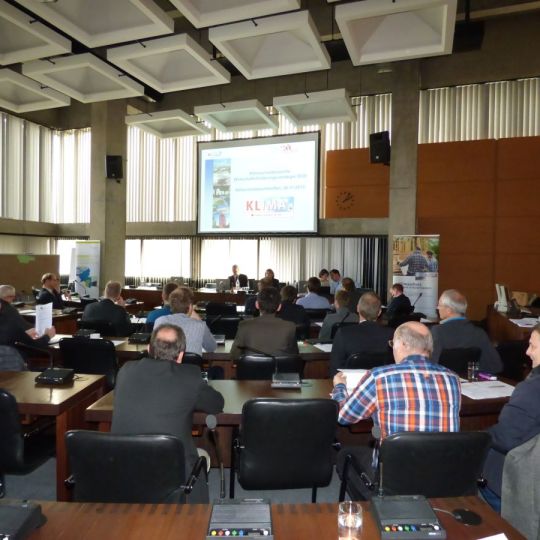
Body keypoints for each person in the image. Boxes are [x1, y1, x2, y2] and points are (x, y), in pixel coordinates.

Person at [332, 322, 461, 497]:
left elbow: (343, 416)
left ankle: (372, 511)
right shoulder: (453, 379)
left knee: (344, 455)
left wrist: (340, 388)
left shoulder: (379, 376)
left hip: (395, 477)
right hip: (442, 475)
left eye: (393, 344)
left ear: (403, 345)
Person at [111, 323, 224, 503]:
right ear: (180, 356)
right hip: (173, 467)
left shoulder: (125, 371)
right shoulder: (190, 375)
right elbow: (216, 404)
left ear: (149, 348)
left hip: (124, 463)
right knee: (198, 457)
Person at [482, 324, 540, 508]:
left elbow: (506, 438)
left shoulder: (532, 389)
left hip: (516, 483)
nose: (528, 352)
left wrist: (476, 436)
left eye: (533, 346)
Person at [431, 289, 502, 374]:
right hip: (472, 382)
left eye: (439, 305)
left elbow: (431, 366)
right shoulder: (479, 333)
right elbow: (496, 366)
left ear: (449, 310)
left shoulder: (437, 332)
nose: (437, 308)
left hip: (446, 383)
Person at [330, 292, 394, 376]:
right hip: (381, 383)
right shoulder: (392, 334)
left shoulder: (343, 333)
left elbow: (335, 369)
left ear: (357, 308)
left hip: (350, 385)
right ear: (379, 312)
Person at [230, 287, 299, 360]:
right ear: (279, 307)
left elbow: (234, 355)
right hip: (279, 370)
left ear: (257, 305)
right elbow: (294, 354)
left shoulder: (244, 325)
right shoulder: (290, 326)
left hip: (251, 370)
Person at [154, 287, 217, 355]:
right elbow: (212, 348)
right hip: (191, 365)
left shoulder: (159, 321)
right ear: (190, 307)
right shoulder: (200, 325)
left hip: (165, 365)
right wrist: (199, 319)